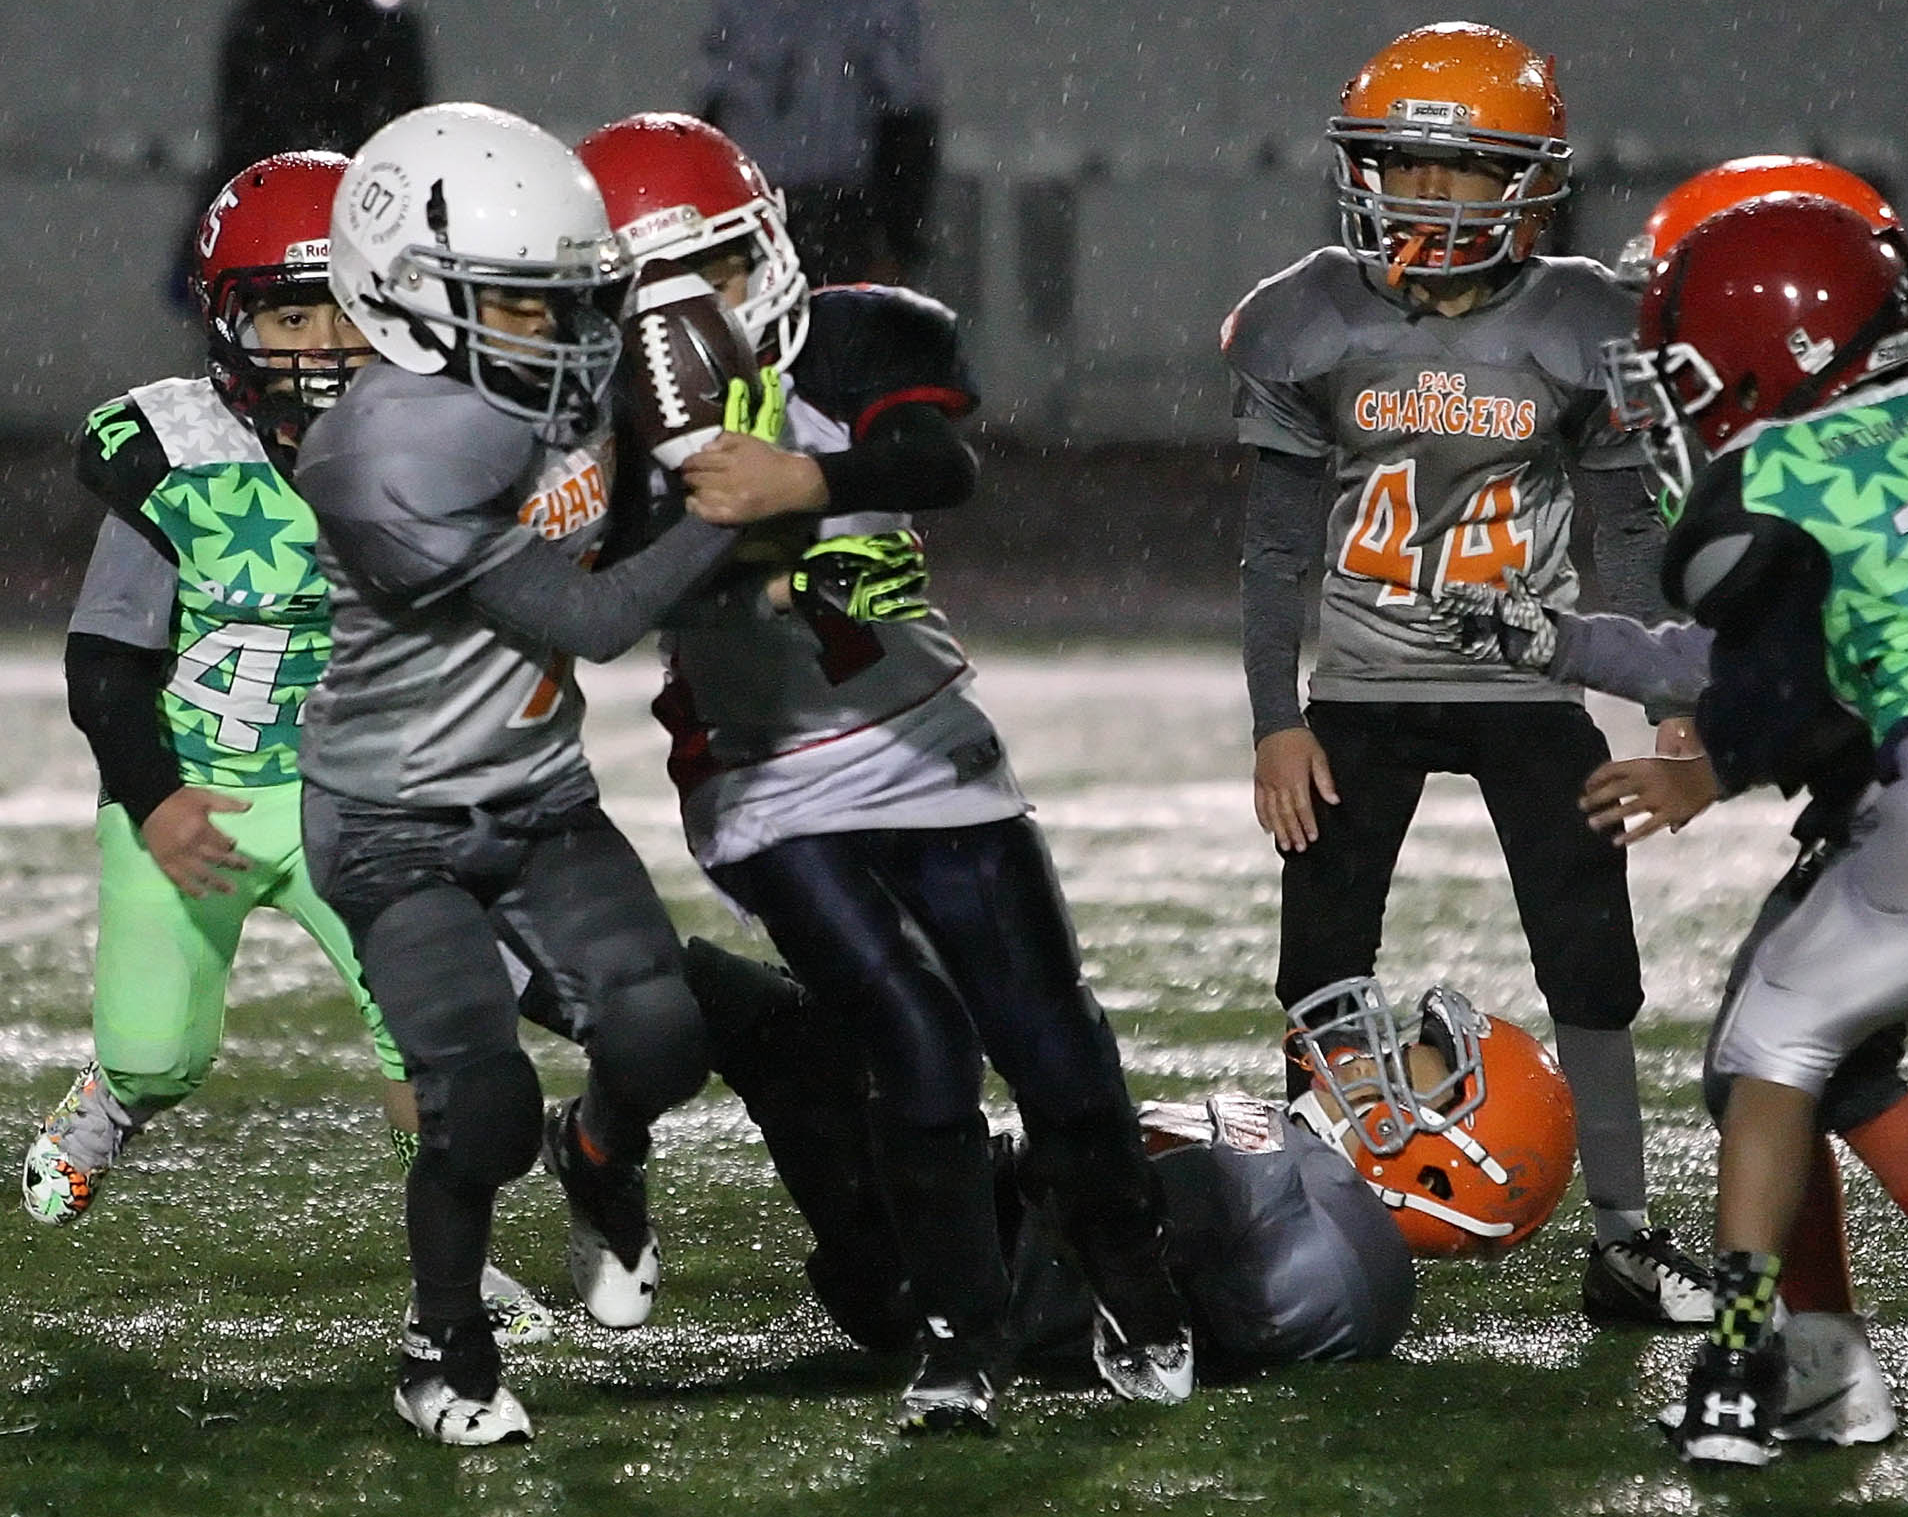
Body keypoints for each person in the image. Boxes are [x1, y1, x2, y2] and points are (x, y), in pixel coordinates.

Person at [577, 111, 1193, 1437]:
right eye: (641, 297)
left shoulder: (858, 335)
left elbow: (938, 459)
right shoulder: (601, 430)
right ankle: (956, 1341)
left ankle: (1135, 1278)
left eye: (718, 276)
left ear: (773, 254)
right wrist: (668, 509)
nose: (692, 321)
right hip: (765, 781)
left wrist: (799, 477)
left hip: (926, 747)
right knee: (918, 1039)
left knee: (1055, 1046)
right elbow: (600, 603)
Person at [296, 102, 774, 1445]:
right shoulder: (379, 451)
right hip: (395, 822)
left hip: (538, 793)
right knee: (480, 1100)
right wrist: (736, 507)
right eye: (516, 306)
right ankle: (442, 1348)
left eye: (566, 303)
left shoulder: (553, 376)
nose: (560, 335)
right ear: (407, 302)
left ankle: (602, 1155)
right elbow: (593, 621)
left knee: (662, 1032)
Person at [1220, 20, 1711, 1326]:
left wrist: (1667, 701)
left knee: (1593, 961)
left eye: (1464, 172)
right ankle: (1298, 1228)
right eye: (1402, 165)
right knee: (1318, 964)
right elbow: (1275, 550)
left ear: (1530, 183)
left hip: (1529, 687)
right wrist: (1277, 720)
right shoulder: (1314, 315)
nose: (1426, 196)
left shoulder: (1579, 324)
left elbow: (1625, 534)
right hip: (1362, 688)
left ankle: (1623, 1235)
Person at [1603, 193, 1908, 1466]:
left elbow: (1782, 684)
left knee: (1772, 1039)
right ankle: (1831, 1358)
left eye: (1684, 366)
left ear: (1771, 349)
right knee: (1826, 1047)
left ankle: (1765, 1354)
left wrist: (1703, 764)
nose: (1670, 398)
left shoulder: (1778, 476)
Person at [23, 148, 550, 1342]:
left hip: (347, 798)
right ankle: (116, 1097)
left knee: (431, 1038)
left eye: (352, 307)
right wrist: (153, 798)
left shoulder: (430, 449)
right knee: (161, 1050)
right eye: (290, 309)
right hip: (188, 793)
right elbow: (106, 663)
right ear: (227, 321)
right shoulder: (181, 454)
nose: (322, 341)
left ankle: (455, 1272)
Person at [170, 0, 428, 310]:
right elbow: (250, 132)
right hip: (287, 217)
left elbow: (400, 130)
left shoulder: (383, 21)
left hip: (358, 222)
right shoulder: (267, 19)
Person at [694, 0, 941, 286]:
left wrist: (898, 243)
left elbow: (909, 126)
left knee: (838, 323)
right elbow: (713, 112)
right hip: (753, 208)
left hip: (845, 213)